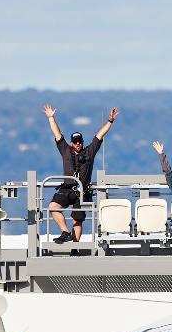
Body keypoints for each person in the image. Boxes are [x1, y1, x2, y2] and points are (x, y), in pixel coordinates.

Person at [43, 104, 117, 244]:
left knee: (77, 220)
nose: (78, 144)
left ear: (82, 142)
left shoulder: (89, 152)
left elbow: (100, 135)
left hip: (82, 191)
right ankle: (65, 232)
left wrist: (110, 121)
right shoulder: (65, 150)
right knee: (53, 207)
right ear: (71, 143)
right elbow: (57, 134)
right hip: (66, 188)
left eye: (80, 142)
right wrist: (51, 118)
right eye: (75, 142)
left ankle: (75, 248)